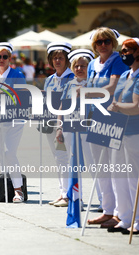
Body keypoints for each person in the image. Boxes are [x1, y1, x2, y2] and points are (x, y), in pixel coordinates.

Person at [86, 27, 129, 227]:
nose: (103, 45)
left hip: (112, 117)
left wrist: (86, 93)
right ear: (94, 45)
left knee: (115, 166)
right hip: (95, 116)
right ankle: (107, 209)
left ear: (113, 43)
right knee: (100, 166)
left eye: (107, 41)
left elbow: (112, 87)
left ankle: (121, 213)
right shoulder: (92, 64)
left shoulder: (118, 60)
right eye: (99, 42)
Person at [56, 49, 103, 210]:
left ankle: (104, 201)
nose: (79, 69)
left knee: (93, 164)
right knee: (73, 164)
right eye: (76, 66)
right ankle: (77, 199)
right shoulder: (69, 83)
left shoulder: (94, 83)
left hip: (89, 129)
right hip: (70, 128)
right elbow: (62, 107)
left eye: (83, 66)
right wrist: (59, 128)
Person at [106, 38, 139, 234]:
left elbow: (136, 107)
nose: (124, 53)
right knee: (119, 175)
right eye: (123, 50)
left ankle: (137, 220)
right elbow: (115, 99)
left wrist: (118, 107)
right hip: (118, 130)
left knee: (133, 177)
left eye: (128, 50)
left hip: (134, 131)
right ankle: (125, 217)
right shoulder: (126, 74)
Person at [0, 42, 26, 202]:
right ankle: (6, 185)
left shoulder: (17, 75)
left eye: (5, 56)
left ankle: (18, 190)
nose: (2, 59)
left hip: (14, 120)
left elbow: (22, 96)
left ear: (10, 58)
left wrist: (4, 92)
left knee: (9, 153)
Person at [44, 42, 74, 207]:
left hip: (67, 124)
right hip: (50, 123)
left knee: (66, 158)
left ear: (66, 59)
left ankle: (69, 195)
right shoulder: (49, 79)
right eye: (54, 58)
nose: (57, 61)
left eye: (60, 58)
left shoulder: (71, 78)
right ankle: (63, 192)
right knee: (58, 158)